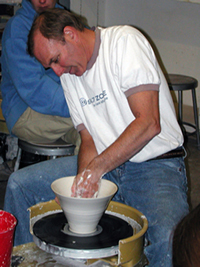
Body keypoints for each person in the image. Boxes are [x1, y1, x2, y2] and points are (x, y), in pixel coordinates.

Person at [4, 8, 189, 266]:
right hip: (106, 165)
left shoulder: (124, 43)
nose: (57, 72)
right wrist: (82, 183)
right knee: (19, 185)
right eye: (51, 66)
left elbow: (148, 123)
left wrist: (96, 169)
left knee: (170, 239)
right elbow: (88, 139)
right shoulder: (70, 76)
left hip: (156, 164)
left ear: (70, 34)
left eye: (56, 59)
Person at [0, 0, 80, 153]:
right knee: (95, 117)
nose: (42, 0)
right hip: (26, 111)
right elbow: (35, 90)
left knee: (94, 135)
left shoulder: (66, 19)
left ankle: (81, 177)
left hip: (63, 107)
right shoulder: (18, 28)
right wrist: (81, 103)